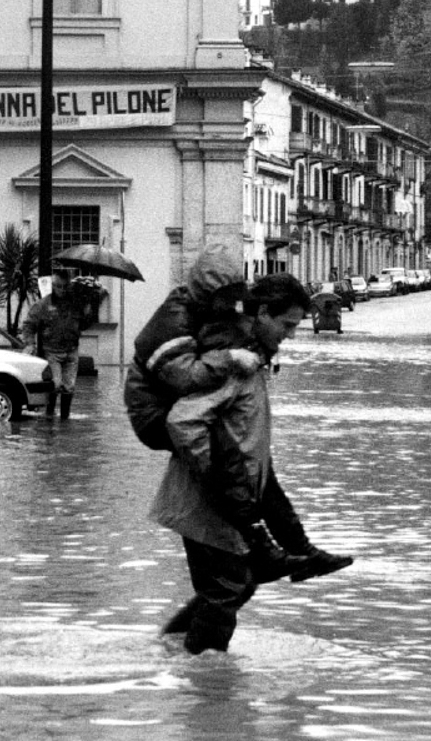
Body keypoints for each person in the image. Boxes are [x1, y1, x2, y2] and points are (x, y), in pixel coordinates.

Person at [147, 273, 352, 654]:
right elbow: (183, 421)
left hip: (227, 502)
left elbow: (247, 445)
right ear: (261, 314)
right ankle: (203, 678)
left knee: (237, 584)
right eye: (286, 325)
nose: (291, 335)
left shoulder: (253, 361)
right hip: (206, 502)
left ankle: (169, 652)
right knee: (228, 588)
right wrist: (219, 478)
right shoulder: (235, 363)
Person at [21, 265, 95, 418]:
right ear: (53, 286)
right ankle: (49, 415)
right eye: (58, 286)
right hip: (51, 352)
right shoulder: (43, 305)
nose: (62, 290)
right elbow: (29, 325)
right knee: (55, 384)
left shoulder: (75, 304)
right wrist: (30, 343)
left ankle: (65, 418)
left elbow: (84, 325)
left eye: (65, 286)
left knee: (69, 386)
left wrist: (88, 311)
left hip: (71, 350)